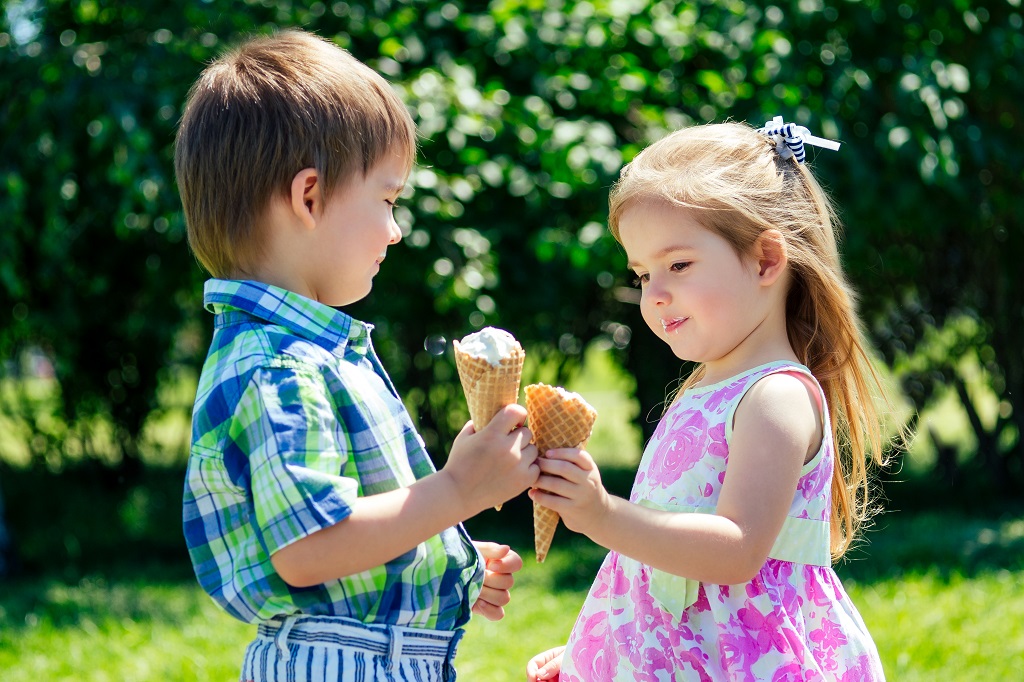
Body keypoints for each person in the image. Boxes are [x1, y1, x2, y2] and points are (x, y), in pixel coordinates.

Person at [175, 29, 539, 681]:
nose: (395, 231)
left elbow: (345, 525)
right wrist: (458, 489)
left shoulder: (302, 352)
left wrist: (434, 559)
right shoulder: (281, 366)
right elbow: (309, 547)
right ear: (309, 197)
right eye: (387, 200)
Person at [526, 119, 897, 681]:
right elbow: (665, 562)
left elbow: (735, 552)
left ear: (765, 260)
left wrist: (602, 514)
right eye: (642, 274)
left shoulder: (774, 397)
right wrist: (603, 647)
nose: (655, 294)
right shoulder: (707, 387)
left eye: (678, 265)